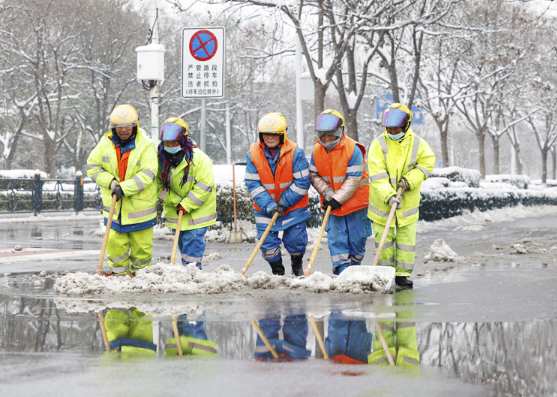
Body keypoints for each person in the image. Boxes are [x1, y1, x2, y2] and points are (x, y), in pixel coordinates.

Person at [367, 103, 435, 287]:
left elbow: (427, 163)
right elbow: (377, 175)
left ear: (406, 126)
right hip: (382, 204)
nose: (392, 130)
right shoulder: (377, 145)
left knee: (406, 242)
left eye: (396, 128)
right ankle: (384, 275)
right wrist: (388, 195)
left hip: (407, 204)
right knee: (384, 242)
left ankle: (402, 275)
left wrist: (409, 180)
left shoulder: (419, 143)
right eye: (389, 127)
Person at [87, 104, 158, 275]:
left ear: (135, 126)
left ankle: (142, 279)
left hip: (140, 211)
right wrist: (111, 182)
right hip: (114, 210)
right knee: (114, 247)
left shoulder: (146, 145)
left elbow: (148, 174)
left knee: (142, 250)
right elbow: (92, 167)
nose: (123, 130)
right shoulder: (105, 143)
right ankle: (119, 277)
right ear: (113, 127)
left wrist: (124, 189)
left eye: (127, 126)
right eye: (119, 127)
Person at [244, 113, 311, 276]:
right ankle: (277, 271)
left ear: (282, 135)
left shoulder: (296, 153)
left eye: (275, 134)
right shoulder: (252, 154)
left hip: (292, 205)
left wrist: (284, 203)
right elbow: (253, 183)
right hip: (265, 207)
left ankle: (297, 265)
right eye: (266, 134)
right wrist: (270, 206)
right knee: (267, 243)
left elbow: (302, 182)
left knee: (295, 239)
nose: (270, 138)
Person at [309, 110, 372, 275]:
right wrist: (329, 194)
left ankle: (355, 268)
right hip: (333, 205)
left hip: (356, 204)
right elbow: (314, 176)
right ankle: (342, 272)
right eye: (323, 136)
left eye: (331, 136)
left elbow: (353, 179)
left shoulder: (353, 149)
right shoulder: (316, 150)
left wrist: (337, 199)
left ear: (340, 131)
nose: (327, 139)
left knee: (357, 241)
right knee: (336, 240)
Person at [156, 117, 217, 270]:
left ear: (183, 140)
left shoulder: (198, 158)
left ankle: (193, 272)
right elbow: (157, 186)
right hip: (176, 211)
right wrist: (176, 201)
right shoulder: (160, 159)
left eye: (174, 143)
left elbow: (204, 185)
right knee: (183, 244)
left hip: (198, 211)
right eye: (167, 143)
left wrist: (186, 204)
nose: (170, 146)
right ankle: (187, 269)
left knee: (193, 242)